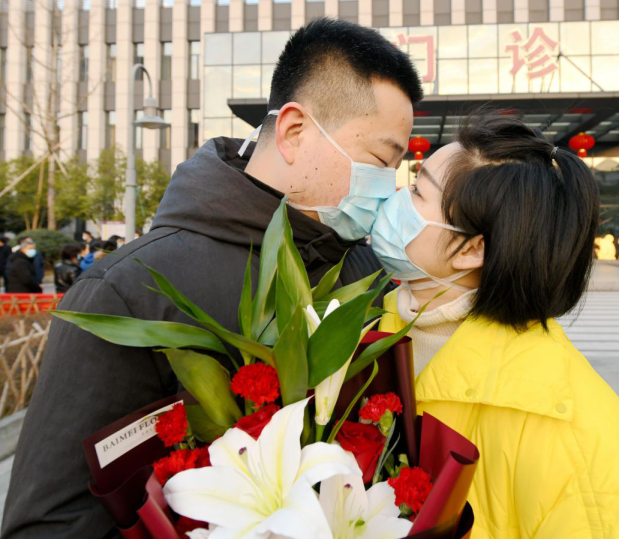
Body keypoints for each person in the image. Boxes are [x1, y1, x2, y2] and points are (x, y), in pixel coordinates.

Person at [2, 18, 423, 538]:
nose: (388, 186)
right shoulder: (129, 290)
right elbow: (50, 522)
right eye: (382, 160)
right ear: (294, 131)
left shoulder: (365, 272)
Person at [375, 112, 619, 538]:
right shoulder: (372, 333)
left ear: (471, 248)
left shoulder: (574, 443)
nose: (395, 201)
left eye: (416, 191)